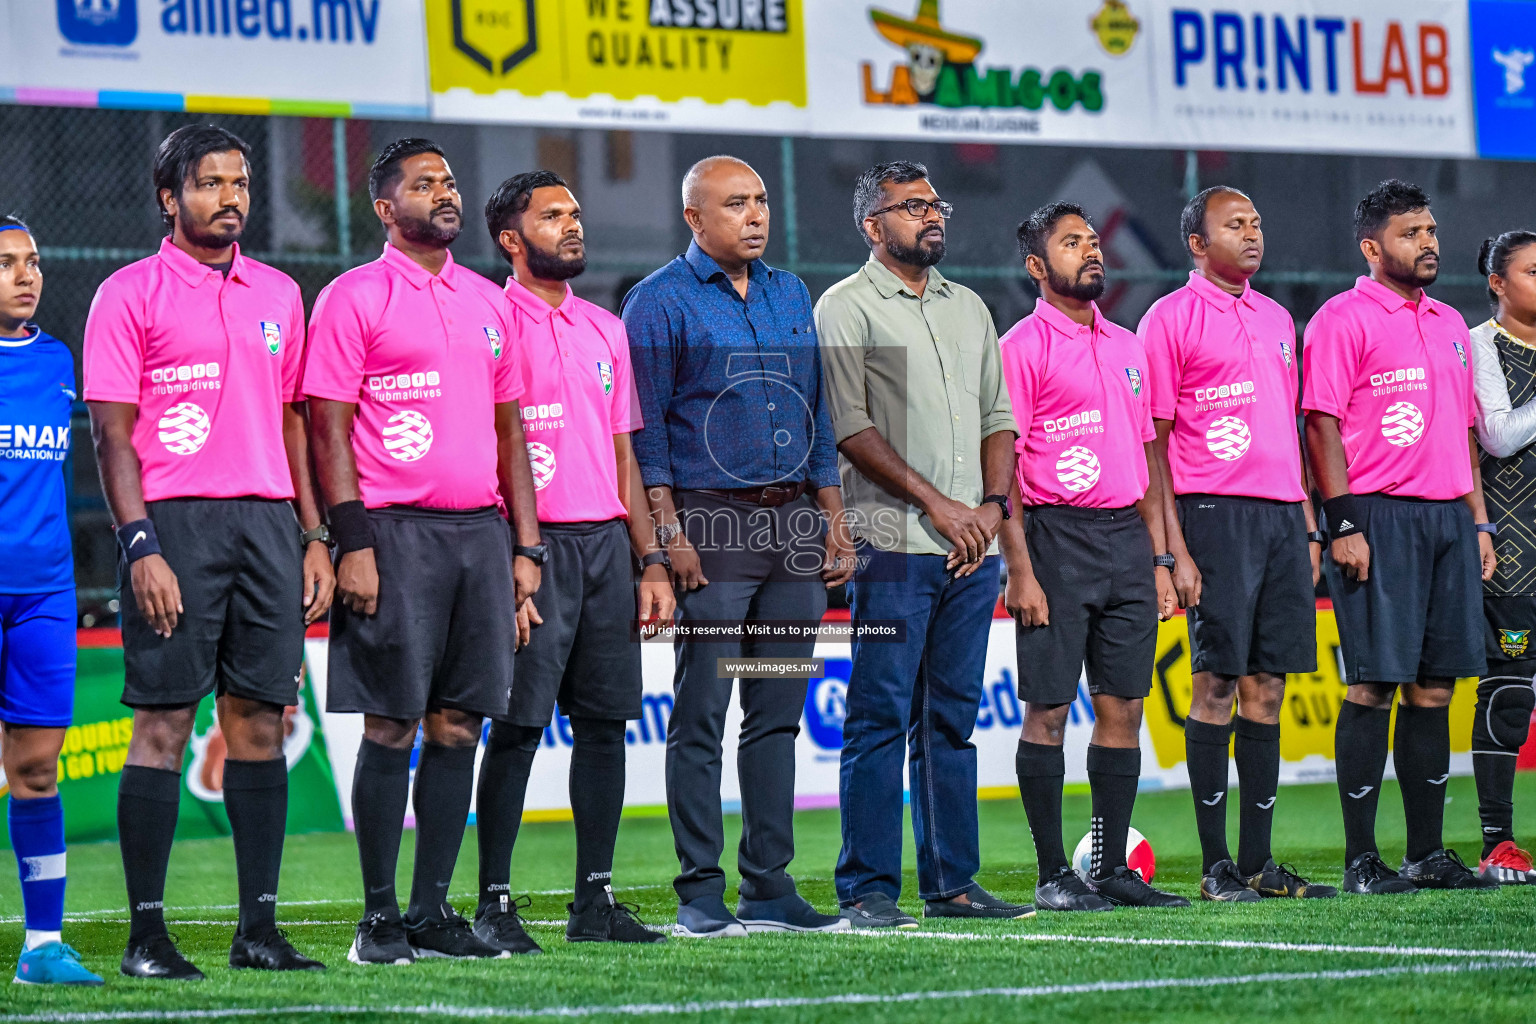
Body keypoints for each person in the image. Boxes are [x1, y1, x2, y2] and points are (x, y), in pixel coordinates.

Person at [84, 125, 334, 979]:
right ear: (170, 196)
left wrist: (313, 535)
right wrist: (141, 544)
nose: (230, 197)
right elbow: (111, 436)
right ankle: (146, 938)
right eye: (210, 184)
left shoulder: (280, 294)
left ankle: (256, 932)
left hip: (268, 526)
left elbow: (297, 421)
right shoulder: (126, 294)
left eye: (240, 183)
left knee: (260, 724)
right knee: (160, 725)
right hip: (174, 527)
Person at [304, 138, 542, 964]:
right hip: (393, 535)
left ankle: (433, 914)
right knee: (393, 724)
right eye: (424, 183)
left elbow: (510, 430)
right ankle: (378, 921)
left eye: (448, 181)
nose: (444, 193)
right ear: (385, 207)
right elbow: (325, 428)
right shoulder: (350, 297)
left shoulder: (488, 300)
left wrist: (525, 549)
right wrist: (351, 540)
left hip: (481, 534)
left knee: (458, 725)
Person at [624, 155, 855, 938]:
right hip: (709, 530)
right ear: (694, 218)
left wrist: (832, 516)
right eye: (735, 205)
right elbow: (645, 433)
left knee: (776, 713)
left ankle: (769, 886)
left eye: (760, 201)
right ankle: (699, 889)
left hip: (791, 529)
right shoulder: (655, 303)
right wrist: (668, 535)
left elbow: (816, 415)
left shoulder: (792, 293)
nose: (754, 216)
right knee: (701, 712)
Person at [816, 161, 1033, 927]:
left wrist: (991, 509)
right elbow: (849, 427)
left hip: (971, 548)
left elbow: (999, 420)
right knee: (877, 716)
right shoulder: (844, 308)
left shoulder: (969, 307)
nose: (931, 216)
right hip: (892, 545)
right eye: (911, 207)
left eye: (934, 203)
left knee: (950, 720)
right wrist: (943, 504)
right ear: (873, 226)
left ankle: (952, 884)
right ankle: (868, 890)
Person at [474, 170, 673, 948]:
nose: (573, 225)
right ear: (511, 239)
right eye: (552, 216)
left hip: (604, 549)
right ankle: (495, 902)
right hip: (529, 547)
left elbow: (625, 452)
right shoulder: (487, 320)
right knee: (518, 728)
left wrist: (650, 558)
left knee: (603, 727)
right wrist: (511, 554)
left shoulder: (605, 328)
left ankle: (594, 903)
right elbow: (488, 442)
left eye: (576, 213)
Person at [1140, 187, 1337, 902]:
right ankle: (1216, 865)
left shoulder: (1280, 317)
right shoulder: (1166, 319)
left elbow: (1290, 429)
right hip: (1212, 516)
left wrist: (1310, 522)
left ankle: (1259, 863)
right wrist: (1174, 549)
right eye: (1235, 224)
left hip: (1284, 518)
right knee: (1216, 682)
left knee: (1270, 686)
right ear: (1197, 243)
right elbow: (1153, 444)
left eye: (1257, 221)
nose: (1253, 233)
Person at [1303, 179, 1498, 894]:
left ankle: (1426, 853)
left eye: (1431, 231)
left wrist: (1477, 519)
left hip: (1448, 516)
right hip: (1377, 516)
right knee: (1375, 686)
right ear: (1372, 245)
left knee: (1434, 690)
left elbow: (1466, 434)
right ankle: (1361, 860)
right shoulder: (1340, 319)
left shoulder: (1450, 320)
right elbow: (1320, 421)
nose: (1429, 244)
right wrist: (1343, 521)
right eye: (1412, 233)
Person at [998, 202, 1188, 911]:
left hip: (1126, 543)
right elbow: (1004, 472)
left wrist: (1163, 561)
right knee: (1047, 712)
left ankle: (1108, 870)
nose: (1091, 251)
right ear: (1037, 268)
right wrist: (1019, 568)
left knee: (1124, 710)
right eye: (1071, 243)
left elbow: (1148, 461)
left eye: (1092, 240)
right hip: (1055, 538)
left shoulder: (1130, 346)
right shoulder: (1020, 347)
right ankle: (1053, 876)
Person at [0, 216, 102, 986]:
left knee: (36, 769)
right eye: (6, 264)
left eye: (31, 262)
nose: (26, 275)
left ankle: (42, 947)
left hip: (43, 595)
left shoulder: (60, 360)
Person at [1467, 229, 1536, 885]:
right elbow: (1496, 433)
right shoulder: (1479, 345)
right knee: (1510, 692)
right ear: (1498, 283)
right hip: (1515, 557)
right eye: (1533, 271)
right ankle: (1498, 844)